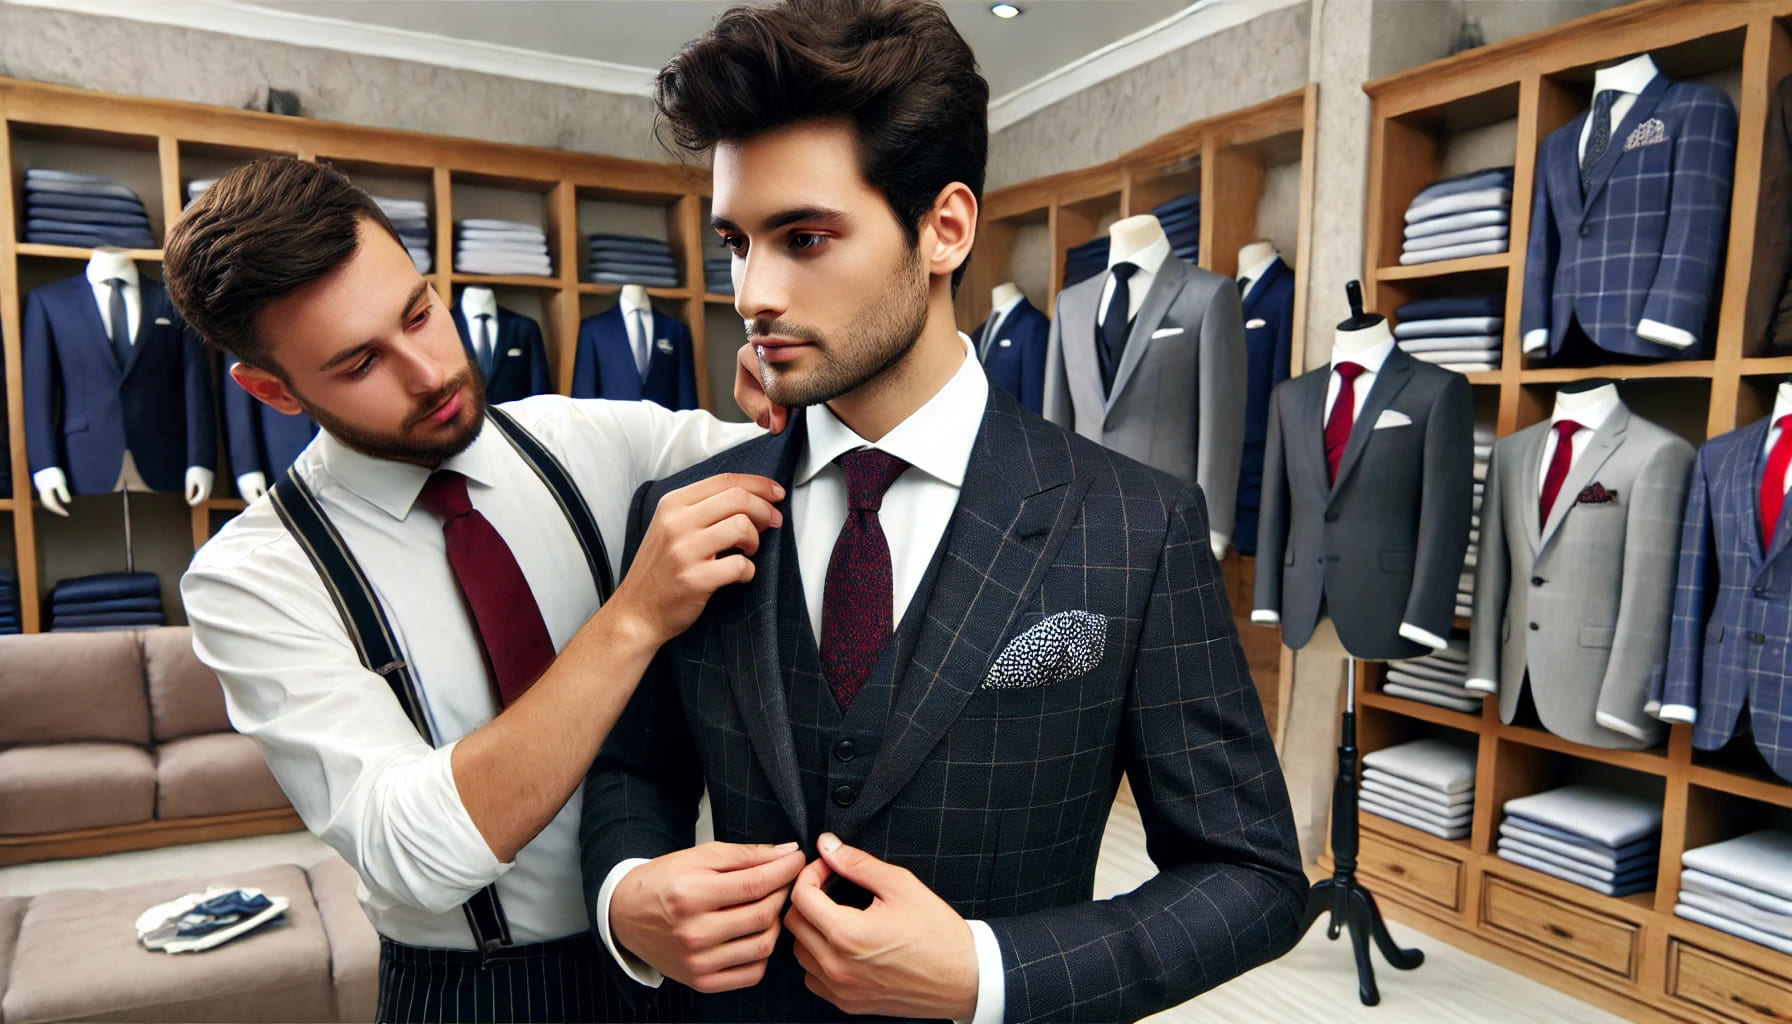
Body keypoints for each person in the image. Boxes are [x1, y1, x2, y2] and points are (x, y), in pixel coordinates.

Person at [580, 2, 1308, 1022]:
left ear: (945, 227)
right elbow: (630, 770)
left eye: (803, 237)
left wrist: (987, 971)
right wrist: (628, 895)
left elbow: (1252, 876)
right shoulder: (682, 511)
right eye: (737, 243)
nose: (752, 292)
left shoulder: (1135, 526)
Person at [170, 157, 797, 1023]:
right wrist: (633, 618)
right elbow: (411, 849)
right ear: (273, 390)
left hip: (681, 957)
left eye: (421, 313)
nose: (428, 372)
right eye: (359, 363)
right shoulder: (253, 578)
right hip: (476, 994)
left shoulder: (585, 439)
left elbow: (810, 464)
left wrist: (795, 386)